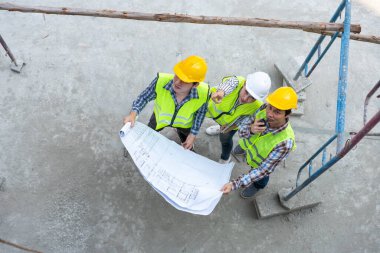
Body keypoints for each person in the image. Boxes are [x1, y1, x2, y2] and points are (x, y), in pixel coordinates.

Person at [221, 87, 298, 198]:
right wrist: (250, 130)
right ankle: (244, 150)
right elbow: (242, 128)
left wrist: (234, 184)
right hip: (249, 146)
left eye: (277, 112)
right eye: (270, 108)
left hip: (259, 164)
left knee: (262, 177)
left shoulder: (285, 143)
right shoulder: (263, 109)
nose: (270, 114)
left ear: (287, 115)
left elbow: (262, 170)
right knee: (244, 141)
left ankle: (257, 186)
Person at [123, 55, 210, 150]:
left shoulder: (203, 94)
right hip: (159, 119)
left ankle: (186, 142)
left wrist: (193, 134)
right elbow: (144, 97)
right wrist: (133, 114)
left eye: (184, 81)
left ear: (195, 84)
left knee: (186, 139)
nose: (177, 82)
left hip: (184, 124)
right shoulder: (161, 82)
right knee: (149, 134)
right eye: (177, 76)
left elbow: (200, 114)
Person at [205, 72, 271, 163]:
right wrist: (221, 92)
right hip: (214, 114)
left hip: (230, 124)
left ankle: (225, 157)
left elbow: (243, 119)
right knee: (222, 130)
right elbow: (229, 84)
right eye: (246, 92)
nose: (245, 98)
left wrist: (230, 127)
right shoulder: (237, 81)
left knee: (225, 139)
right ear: (244, 83)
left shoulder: (256, 107)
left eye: (252, 98)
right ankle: (219, 127)